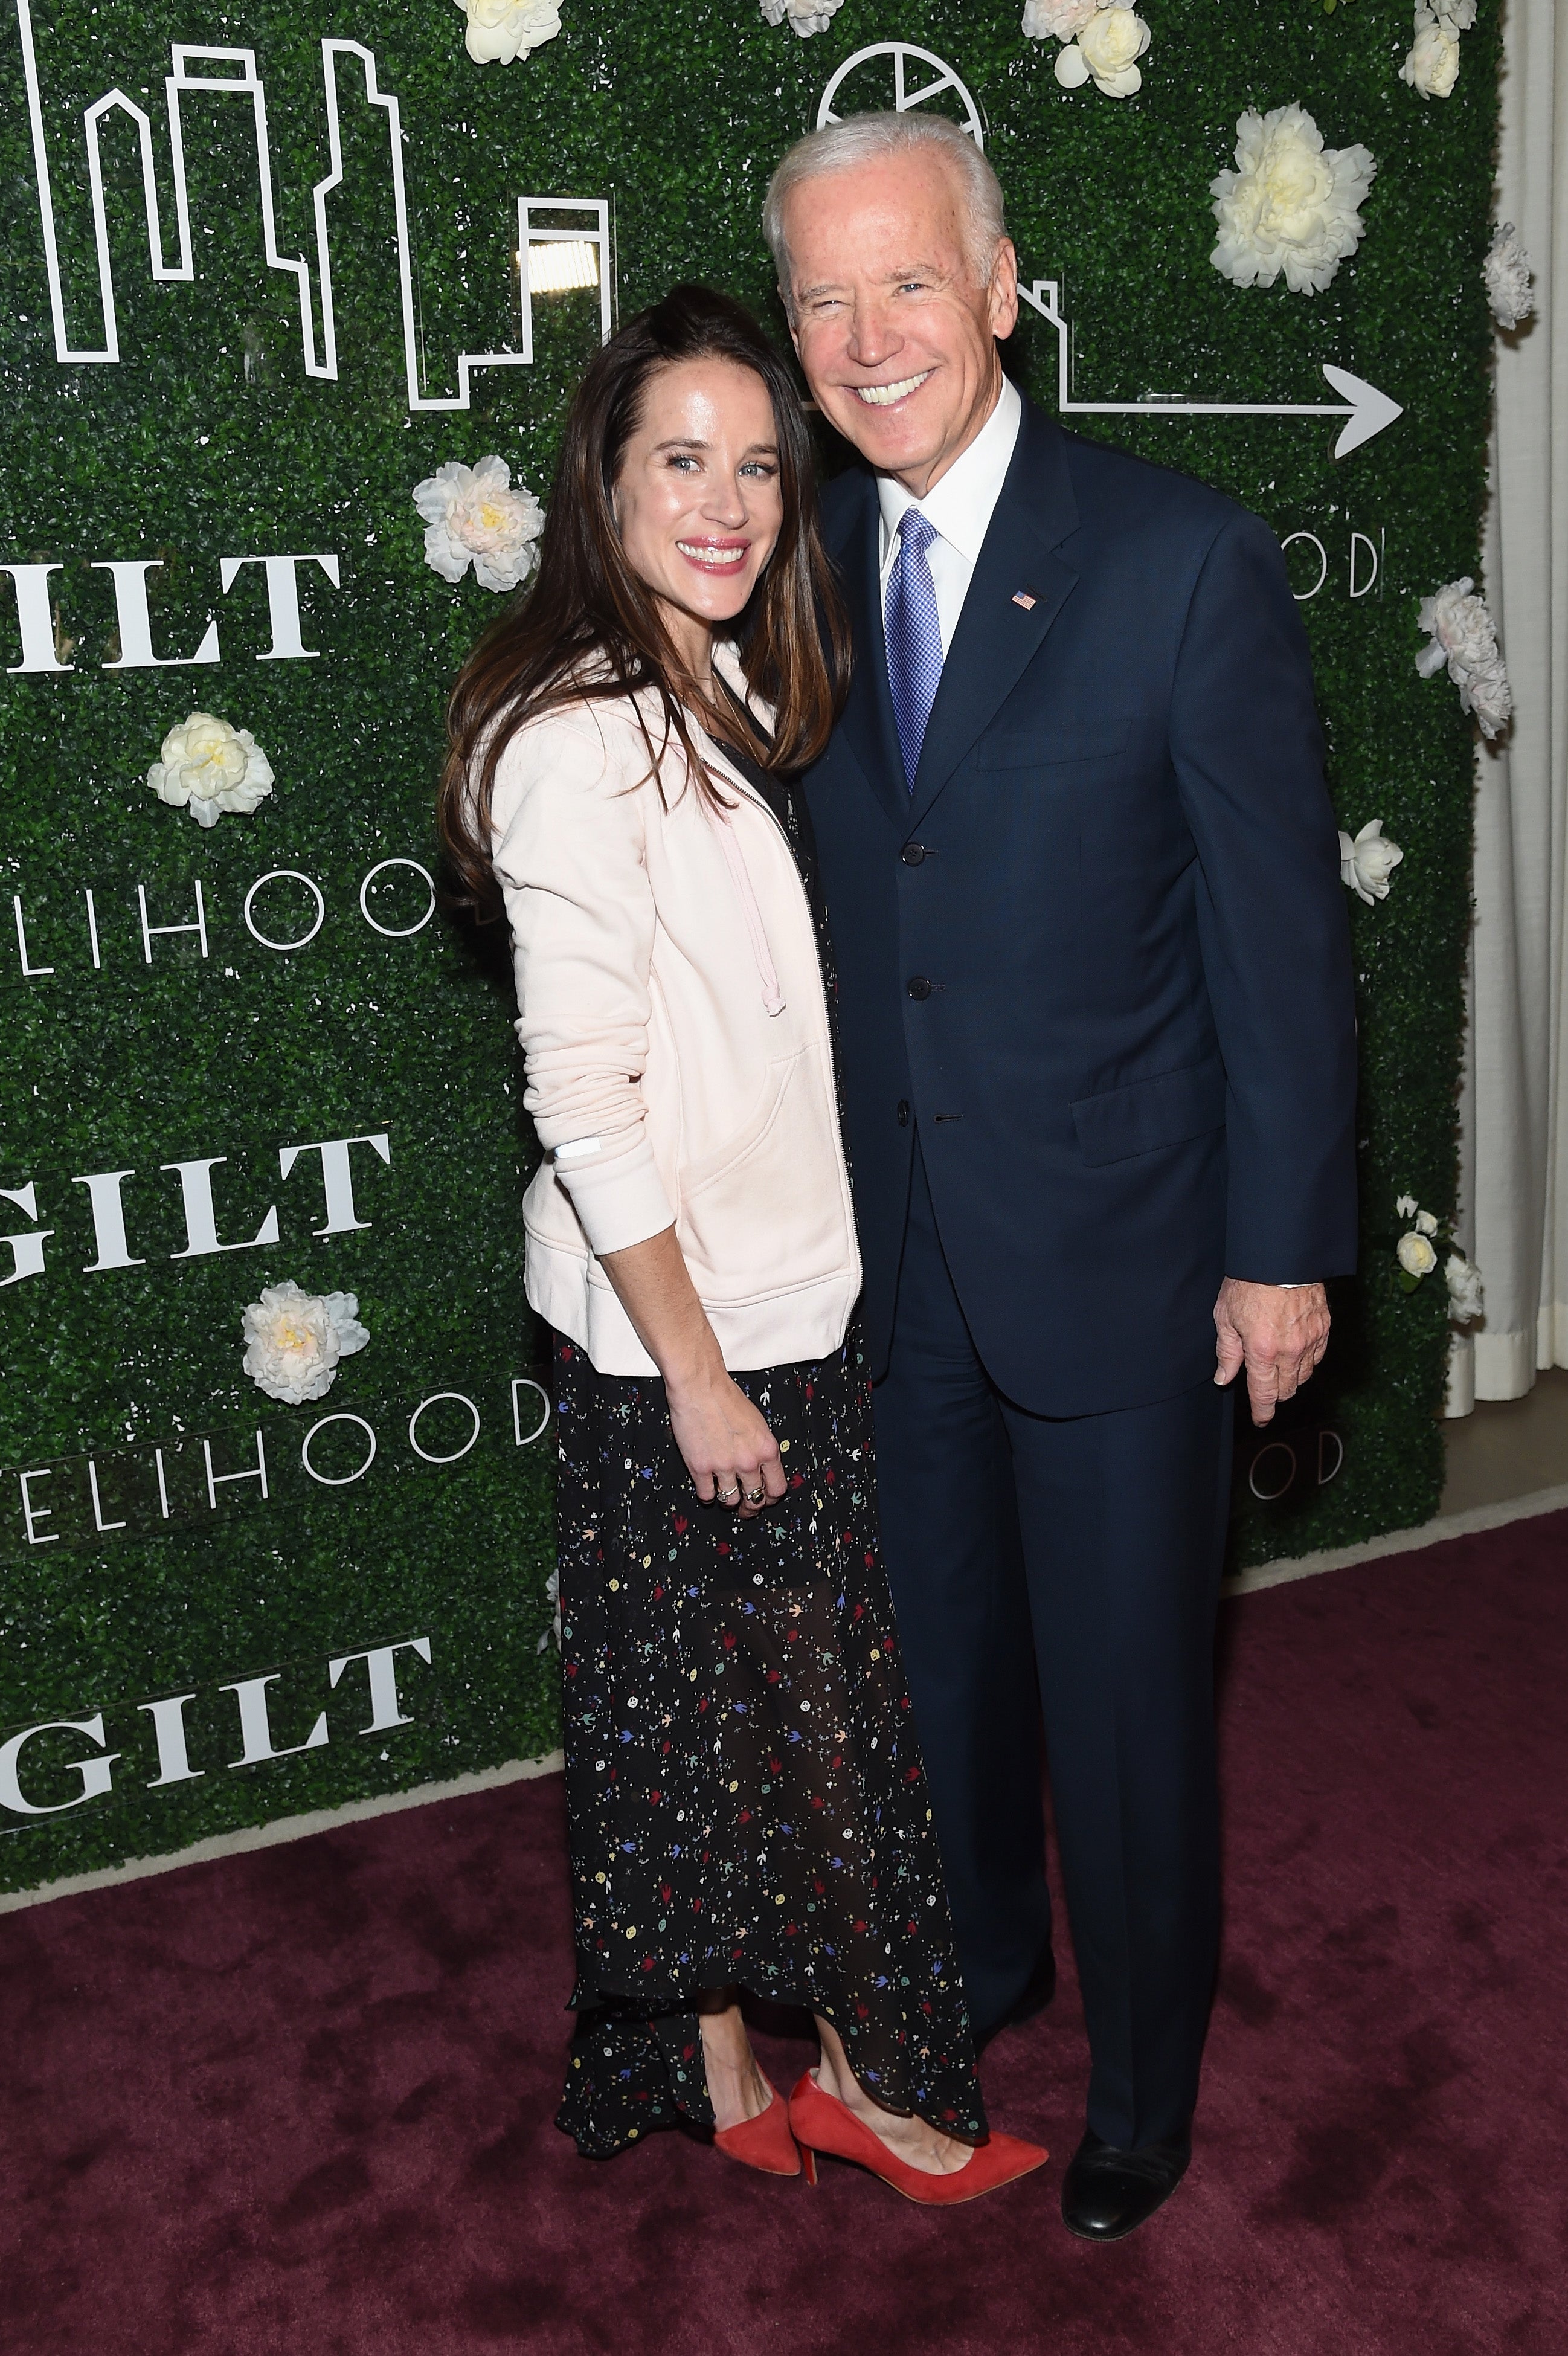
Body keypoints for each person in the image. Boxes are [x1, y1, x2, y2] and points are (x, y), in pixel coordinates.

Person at [763, 115, 1358, 2240]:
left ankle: (1139, 2086)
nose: (868, 337)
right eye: (824, 301)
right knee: (936, 1679)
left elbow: (1276, 945)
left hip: (1124, 1253)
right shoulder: (790, 566)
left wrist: (1280, 1251)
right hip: (890, 1257)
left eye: (908, 282)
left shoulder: (1178, 558)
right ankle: (982, 1969)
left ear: (1001, 289)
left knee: (1120, 1711)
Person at [437, 285, 1046, 2206]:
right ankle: (874, 2077)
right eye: (679, 461)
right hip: (683, 1335)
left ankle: (711, 2055)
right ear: (603, 485)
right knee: (809, 1722)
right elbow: (580, 1091)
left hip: (773, 1298)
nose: (724, 503)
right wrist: (695, 1371)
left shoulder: (729, 691)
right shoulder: (573, 735)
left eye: (759, 466)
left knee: (703, 1715)